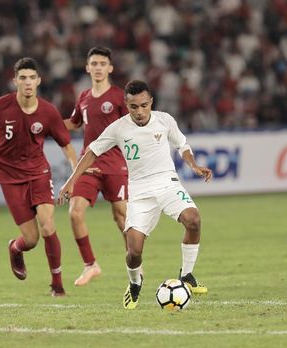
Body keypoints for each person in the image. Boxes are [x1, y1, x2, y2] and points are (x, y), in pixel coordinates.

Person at [58, 80, 213, 309]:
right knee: (134, 252)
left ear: (151, 102)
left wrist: (193, 165)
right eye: (133, 107)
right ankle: (135, 282)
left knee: (194, 219)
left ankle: (187, 275)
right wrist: (71, 181)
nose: (139, 112)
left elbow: (183, 145)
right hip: (140, 192)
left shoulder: (165, 120)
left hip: (168, 183)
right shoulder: (119, 128)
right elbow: (92, 151)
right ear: (126, 105)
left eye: (143, 105)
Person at [0, 57, 77, 296]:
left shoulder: (49, 111)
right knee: (31, 239)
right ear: (15, 81)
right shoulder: (0, 106)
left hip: (39, 173)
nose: (28, 82)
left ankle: (57, 285)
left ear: (39, 81)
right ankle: (15, 248)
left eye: (32, 77)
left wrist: (75, 176)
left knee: (47, 224)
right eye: (22, 78)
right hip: (10, 176)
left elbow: (67, 146)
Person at [63, 47, 129, 286]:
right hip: (88, 162)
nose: (98, 67)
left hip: (115, 164)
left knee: (121, 217)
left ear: (110, 68)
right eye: (94, 63)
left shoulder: (120, 97)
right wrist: (46, 123)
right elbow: (73, 123)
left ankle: (135, 263)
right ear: (87, 67)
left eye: (103, 63)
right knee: (75, 212)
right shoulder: (83, 97)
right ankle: (91, 264)